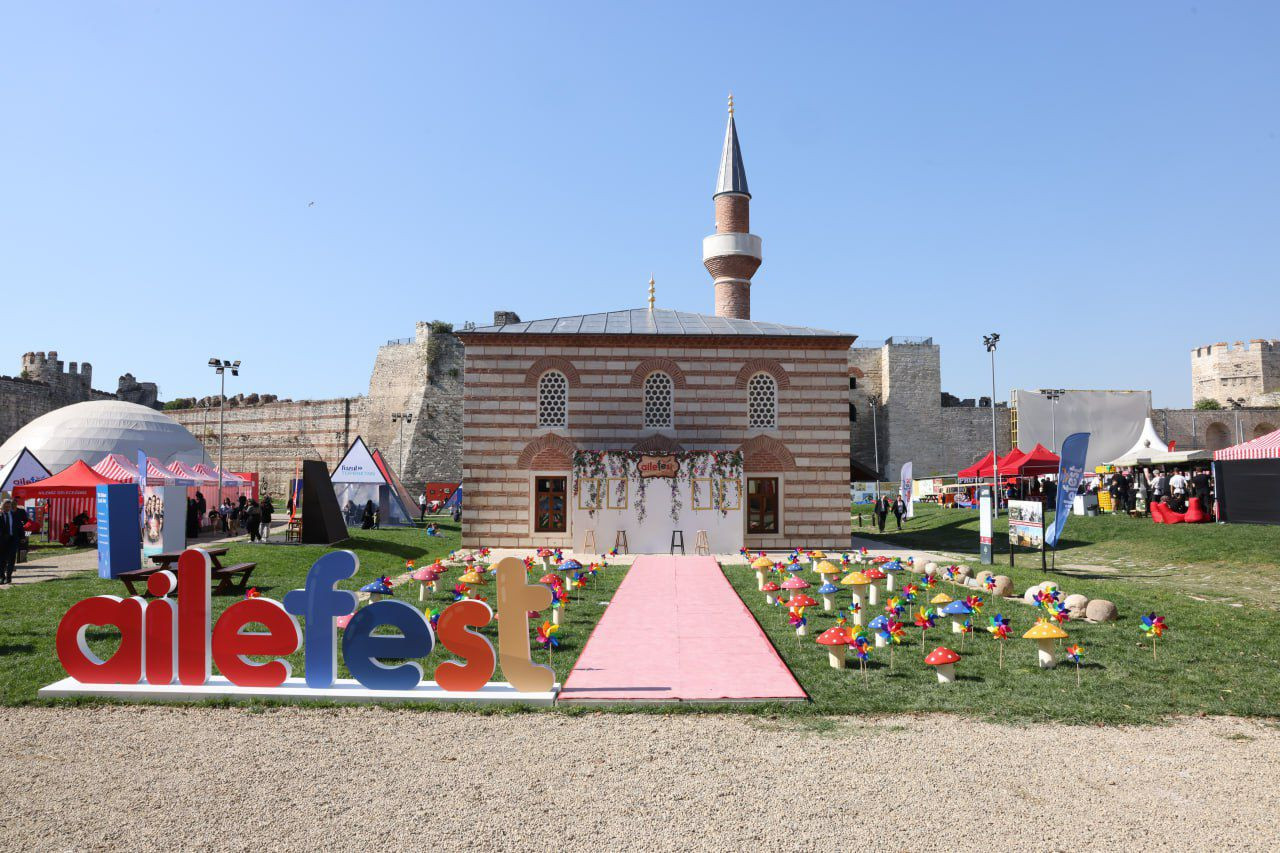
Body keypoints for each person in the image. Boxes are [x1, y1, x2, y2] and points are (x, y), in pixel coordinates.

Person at [0, 499, 26, 585]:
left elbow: (20, 526)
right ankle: (2, 577)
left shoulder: (15, 515)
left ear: (11, 507)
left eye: (8, 506)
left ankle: (8, 577)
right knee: (2, 559)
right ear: (2, 507)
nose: (7, 508)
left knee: (11, 559)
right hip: (2, 540)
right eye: (5, 506)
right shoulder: (0, 515)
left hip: (13, 539)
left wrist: (22, 536)